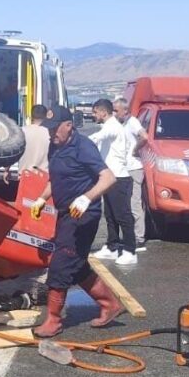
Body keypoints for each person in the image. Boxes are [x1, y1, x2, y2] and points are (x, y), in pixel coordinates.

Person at [27, 106, 123, 338]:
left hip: (83, 215)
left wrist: (86, 198)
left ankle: (53, 320)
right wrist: (41, 199)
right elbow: (55, 177)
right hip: (65, 212)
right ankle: (110, 304)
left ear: (68, 125)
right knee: (76, 263)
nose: (51, 134)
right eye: (48, 130)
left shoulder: (83, 147)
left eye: (55, 129)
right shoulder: (55, 146)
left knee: (61, 263)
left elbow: (109, 178)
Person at [87, 98, 138, 265]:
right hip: (109, 178)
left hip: (119, 178)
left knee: (122, 215)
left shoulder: (113, 127)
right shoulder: (108, 126)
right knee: (109, 215)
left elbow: (101, 136)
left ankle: (130, 250)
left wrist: (85, 141)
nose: (93, 115)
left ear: (103, 112)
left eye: (95, 112)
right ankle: (112, 247)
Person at [115, 97, 149, 252]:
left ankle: (139, 238)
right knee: (125, 203)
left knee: (134, 203)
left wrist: (135, 150)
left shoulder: (133, 122)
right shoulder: (122, 124)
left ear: (125, 110)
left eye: (117, 111)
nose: (115, 114)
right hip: (124, 168)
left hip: (134, 168)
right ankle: (130, 236)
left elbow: (144, 136)